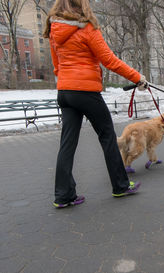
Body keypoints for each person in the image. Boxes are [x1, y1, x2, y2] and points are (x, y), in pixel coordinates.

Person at [43, 0, 147, 208]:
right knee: (107, 136)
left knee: (67, 143)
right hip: (86, 91)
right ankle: (120, 185)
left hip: (65, 92)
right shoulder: (86, 27)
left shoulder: (54, 28)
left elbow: (57, 65)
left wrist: (66, 82)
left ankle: (63, 195)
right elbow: (109, 60)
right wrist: (137, 78)